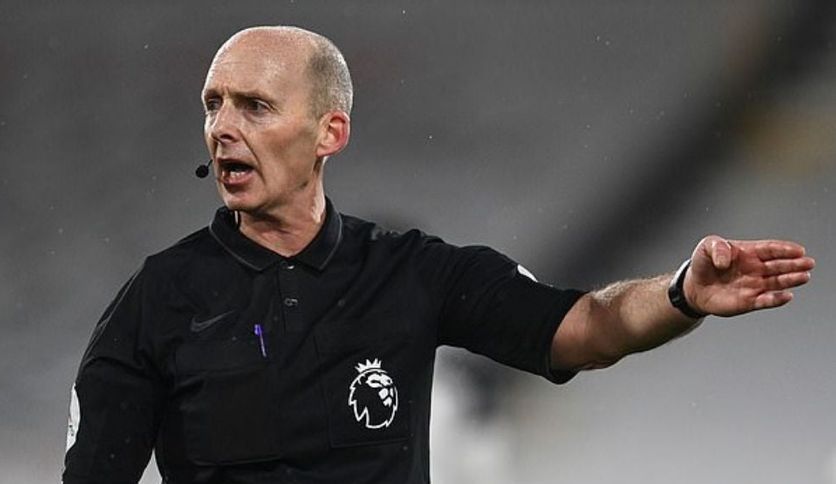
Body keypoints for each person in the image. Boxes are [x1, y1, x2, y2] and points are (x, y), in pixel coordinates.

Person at [62, 26, 815, 484]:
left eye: (254, 106)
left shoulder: (411, 273)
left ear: (329, 132)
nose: (224, 127)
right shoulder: (159, 299)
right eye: (213, 104)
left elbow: (585, 327)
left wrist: (682, 293)